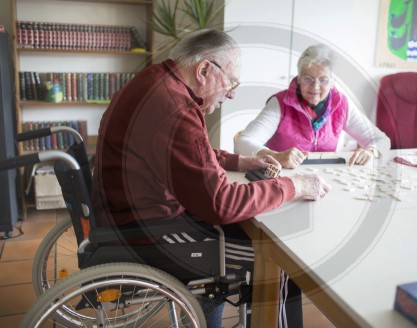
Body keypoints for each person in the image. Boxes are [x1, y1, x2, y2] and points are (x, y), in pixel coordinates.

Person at [91, 29, 331, 328]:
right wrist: (294, 185)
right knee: (283, 260)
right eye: (231, 82)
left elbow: (190, 153)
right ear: (204, 69)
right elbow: (220, 203)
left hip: (131, 218)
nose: (231, 93)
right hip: (149, 235)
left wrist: (239, 161)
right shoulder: (175, 108)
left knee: (250, 232)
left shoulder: (158, 82)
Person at [234, 44, 390, 169]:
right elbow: (242, 143)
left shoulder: (341, 103)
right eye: (308, 78)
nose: (315, 87)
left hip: (326, 181)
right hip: (283, 181)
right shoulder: (280, 104)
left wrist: (371, 151)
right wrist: (274, 156)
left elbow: (382, 140)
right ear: (299, 78)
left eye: (323, 80)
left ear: (332, 81)